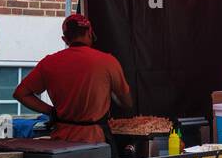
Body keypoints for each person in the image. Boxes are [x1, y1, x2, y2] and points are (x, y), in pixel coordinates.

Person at [13, 12, 133, 144]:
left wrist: (51, 111)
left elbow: (20, 94)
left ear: (65, 39)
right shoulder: (108, 61)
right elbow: (127, 103)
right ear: (89, 33)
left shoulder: (49, 62)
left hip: (62, 141)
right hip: (96, 140)